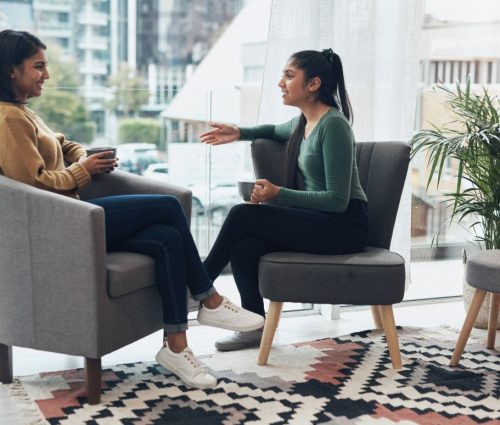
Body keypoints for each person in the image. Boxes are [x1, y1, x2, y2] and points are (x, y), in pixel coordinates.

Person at [0, 29, 264, 389]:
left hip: (76, 217)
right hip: (62, 229)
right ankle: (209, 298)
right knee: (169, 208)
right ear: (11, 70)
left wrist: (82, 157)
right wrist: (83, 171)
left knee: (167, 238)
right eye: (38, 66)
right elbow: (31, 184)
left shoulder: (23, 112)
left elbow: (66, 143)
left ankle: (176, 345)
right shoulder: (8, 119)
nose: (46, 74)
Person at [200, 49, 370, 351]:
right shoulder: (303, 122)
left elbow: (338, 201)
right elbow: (272, 130)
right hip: (320, 221)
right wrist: (238, 132)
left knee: (242, 215)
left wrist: (278, 193)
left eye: (289, 76)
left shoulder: (334, 126)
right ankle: (254, 326)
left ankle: (198, 287)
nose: (281, 83)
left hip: (345, 226)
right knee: (243, 247)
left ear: (314, 84)